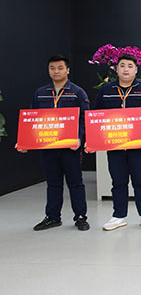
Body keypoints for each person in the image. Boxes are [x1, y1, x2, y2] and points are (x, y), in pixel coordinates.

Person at [17, 55, 90, 231]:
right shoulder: (40, 93)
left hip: (70, 147)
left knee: (75, 182)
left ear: (68, 70)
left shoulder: (77, 92)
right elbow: (32, 119)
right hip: (48, 147)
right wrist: (24, 141)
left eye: (60, 68)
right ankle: (52, 217)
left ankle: (80, 217)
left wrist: (79, 138)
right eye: (52, 68)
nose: (56, 71)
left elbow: (84, 119)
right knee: (53, 183)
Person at [92, 54, 141, 231]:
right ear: (116, 69)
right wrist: (93, 140)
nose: (126, 69)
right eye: (122, 65)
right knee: (118, 181)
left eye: (130, 66)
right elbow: (96, 115)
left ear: (136, 69)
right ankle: (119, 216)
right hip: (115, 145)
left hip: (138, 145)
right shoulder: (106, 90)